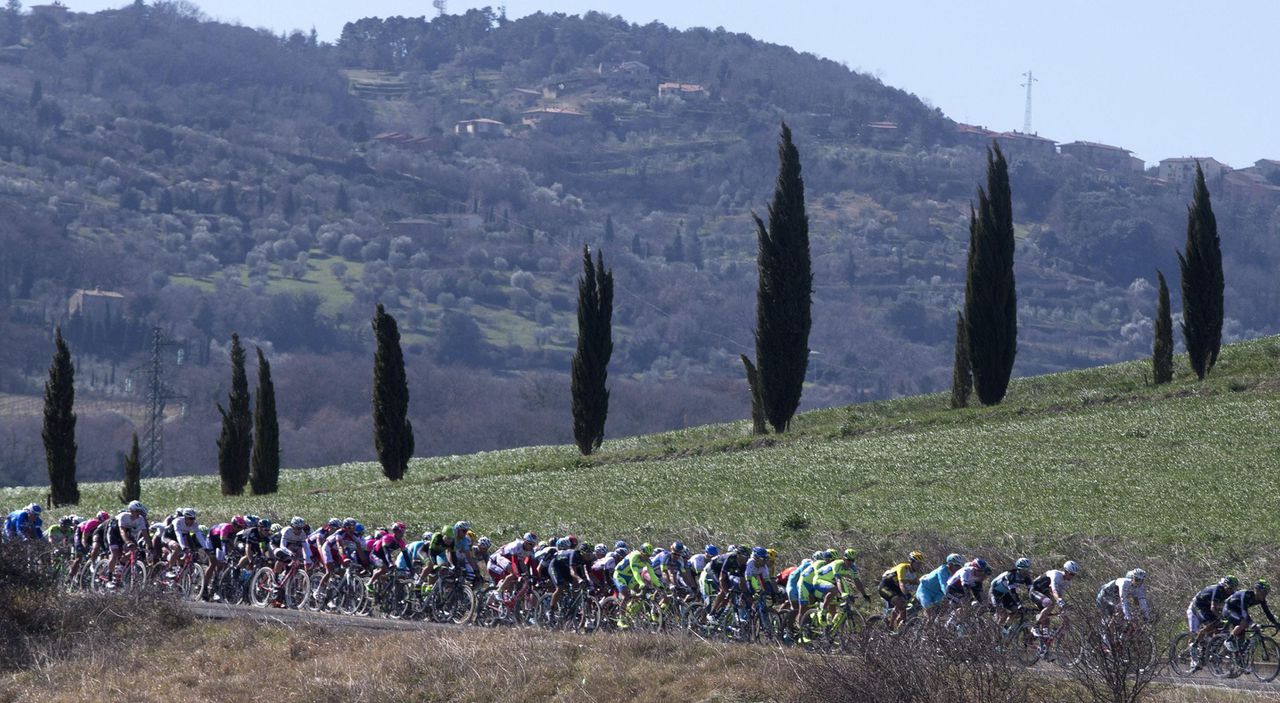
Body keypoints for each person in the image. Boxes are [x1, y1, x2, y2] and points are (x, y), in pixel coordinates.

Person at [1223, 580, 1279, 652]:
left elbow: (1267, 612)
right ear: (1257, 590)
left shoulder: (1261, 599)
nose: (1265, 594)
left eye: (1266, 592)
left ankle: (1239, 658)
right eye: (1264, 592)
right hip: (1229, 609)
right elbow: (1244, 610)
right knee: (1244, 623)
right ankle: (1228, 640)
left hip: (1238, 611)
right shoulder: (1246, 594)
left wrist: (1275, 623)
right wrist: (1251, 623)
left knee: (1241, 638)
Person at [1187, 575, 1238, 654]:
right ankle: (1195, 644)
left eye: (1234, 588)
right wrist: (1221, 618)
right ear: (1224, 585)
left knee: (1219, 627)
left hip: (1210, 607)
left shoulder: (1232, 593)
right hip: (1199, 605)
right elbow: (1213, 607)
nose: (1231, 590)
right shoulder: (1218, 589)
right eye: (1230, 588)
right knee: (1212, 624)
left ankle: (1209, 647)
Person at [878, 550, 925, 630]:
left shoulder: (917, 573)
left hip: (897, 589)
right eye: (917, 563)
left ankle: (896, 627)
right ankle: (892, 627)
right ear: (911, 562)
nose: (919, 566)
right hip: (886, 586)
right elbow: (901, 584)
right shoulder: (903, 567)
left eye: (921, 564)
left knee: (903, 606)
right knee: (901, 604)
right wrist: (908, 595)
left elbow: (920, 585)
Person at [1031, 560, 1080, 633]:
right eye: (1071, 574)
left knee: (1046, 620)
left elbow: (1059, 595)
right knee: (1050, 604)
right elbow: (1054, 591)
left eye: (1074, 575)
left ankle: (1039, 640)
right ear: (1066, 571)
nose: (1072, 576)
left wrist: (1063, 607)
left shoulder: (1067, 582)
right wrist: (1060, 601)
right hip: (1035, 590)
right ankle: (1035, 627)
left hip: (1044, 593)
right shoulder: (1056, 575)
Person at [917, 553, 965, 621]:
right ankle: (925, 630)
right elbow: (944, 587)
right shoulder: (942, 570)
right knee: (931, 616)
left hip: (938, 594)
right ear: (950, 565)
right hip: (925, 591)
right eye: (957, 566)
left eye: (960, 566)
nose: (959, 568)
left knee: (943, 612)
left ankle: (938, 626)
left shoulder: (956, 574)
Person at [989, 557, 1034, 627]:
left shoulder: (1026, 577)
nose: (1026, 572)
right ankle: (995, 631)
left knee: (1017, 611)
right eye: (1024, 570)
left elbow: (1031, 592)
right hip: (995, 592)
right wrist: (1019, 604)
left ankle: (1006, 629)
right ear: (1019, 569)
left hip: (1005, 593)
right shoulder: (1011, 575)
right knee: (1002, 614)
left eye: (1027, 569)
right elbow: (1013, 592)